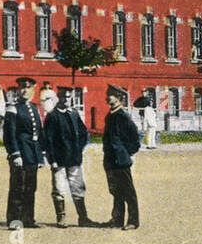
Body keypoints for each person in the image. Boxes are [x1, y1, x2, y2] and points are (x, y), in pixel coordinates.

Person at [41, 86, 95, 227]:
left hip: (74, 158)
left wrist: (79, 149)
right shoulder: (52, 116)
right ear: (58, 97)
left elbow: (84, 134)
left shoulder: (74, 114)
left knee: (78, 188)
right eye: (64, 97)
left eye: (69, 97)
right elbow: (48, 140)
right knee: (59, 189)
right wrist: (52, 159)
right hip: (58, 160)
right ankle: (61, 218)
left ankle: (83, 218)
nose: (66, 100)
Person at [3, 77, 45, 229]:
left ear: (34, 89)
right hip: (20, 153)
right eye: (22, 88)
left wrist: (40, 156)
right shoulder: (13, 108)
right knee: (17, 187)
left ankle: (28, 219)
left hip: (32, 154)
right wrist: (15, 154)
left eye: (28, 88)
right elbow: (9, 133)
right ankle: (14, 220)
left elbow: (39, 133)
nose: (25, 91)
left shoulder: (35, 108)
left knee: (30, 187)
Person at [103, 85, 141, 230]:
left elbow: (134, 139)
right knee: (116, 191)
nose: (108, 97)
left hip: (121, 161)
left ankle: (133, 221)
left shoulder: (123, 116)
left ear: (119, 98)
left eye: (111, 95)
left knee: (128, 191)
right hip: (110, 159)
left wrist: (126, 153)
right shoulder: (110, 115)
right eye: (108, 95)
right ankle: (117, 219)